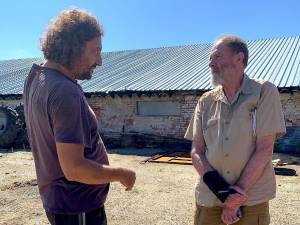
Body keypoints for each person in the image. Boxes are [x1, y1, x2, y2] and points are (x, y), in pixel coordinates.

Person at [23, 8, 136, 225]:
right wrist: (122, 173)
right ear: (73, 48)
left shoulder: (36, 78)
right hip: (77, 206)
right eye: (96, 51)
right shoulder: (65, 91)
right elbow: (74, 169)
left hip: (60, 203)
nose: (100, 61)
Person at [185, 35, 286, 225]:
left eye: (216, 57)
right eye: (210, 58)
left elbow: (265, 149)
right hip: (211, 199)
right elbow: (196, 152)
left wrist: (236, 196)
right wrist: (223, 192)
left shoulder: (264, 91)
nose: (210, 63)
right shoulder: (205, 101)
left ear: (239, 58)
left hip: (251, 199)